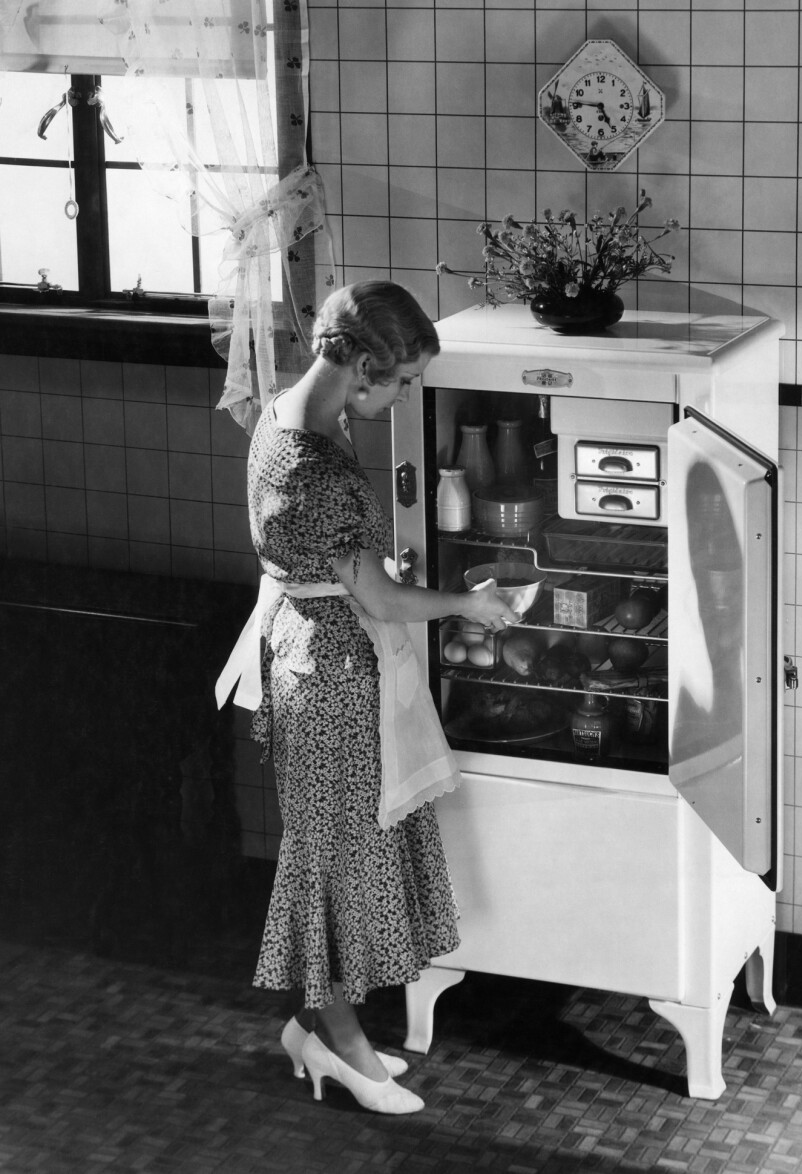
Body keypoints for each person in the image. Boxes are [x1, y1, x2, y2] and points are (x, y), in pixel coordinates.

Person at [226, 281, 516, 1116]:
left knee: (341, 848)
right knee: (333, 859)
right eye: (401, 380)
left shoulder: (288, 413)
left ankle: (318, 1030)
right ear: (359, 367)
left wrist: (380, 579)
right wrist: (468, 604)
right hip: (329, 674)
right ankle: (339, 1045)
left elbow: (340, 572)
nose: (405, 396)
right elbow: (378, 601)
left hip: (302, 650)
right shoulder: (319, 467)